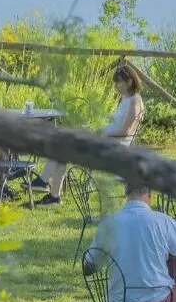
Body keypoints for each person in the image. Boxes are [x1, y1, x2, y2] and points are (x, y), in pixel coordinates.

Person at [39, 62, 145, 203]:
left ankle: (45, 185)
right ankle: (51, 192)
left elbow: (125, 131)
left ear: (130, 81)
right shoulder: (127, 99)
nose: (116, 86)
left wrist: (100, 134)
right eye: (115, 83)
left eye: (119, 83)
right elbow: (117, 125)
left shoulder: (134, 101)